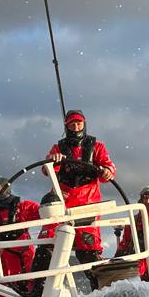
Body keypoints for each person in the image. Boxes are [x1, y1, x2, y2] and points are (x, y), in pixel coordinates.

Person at [44, 109, 116, 265]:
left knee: (88, 251)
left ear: (84, 124)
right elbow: (46, 170)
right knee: (47, 246)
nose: (76, 127)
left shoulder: (97, 147)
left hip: (88, 205)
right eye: (71, 124)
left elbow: (109, 168)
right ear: (66, 127)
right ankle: (39, 286)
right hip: (62, 204)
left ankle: (99, 287)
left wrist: (107, 172)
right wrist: (52, 161)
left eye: (79, 123)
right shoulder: (58, 148)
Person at [117, 184, 149, 256]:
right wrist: (119, 253)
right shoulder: (134, 220)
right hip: (135, 258)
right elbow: (125, 242)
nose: (147, 201)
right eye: (145, 198)